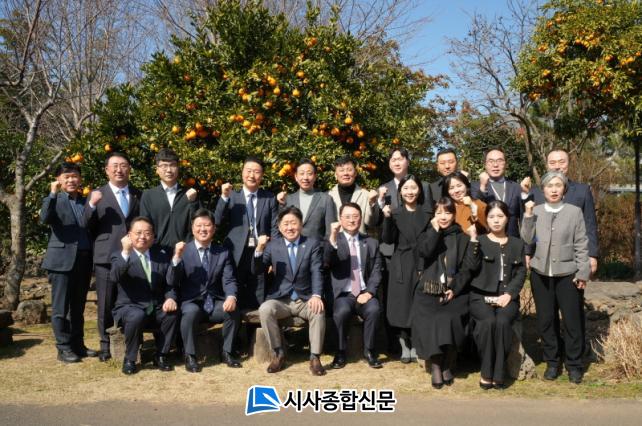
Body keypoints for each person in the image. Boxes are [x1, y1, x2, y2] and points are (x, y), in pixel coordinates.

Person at [521, 171, 590, 384]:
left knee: (572, 321)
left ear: (564, 189)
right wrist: (528, 215)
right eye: (549, 186)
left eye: (558, 185)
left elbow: (581, 244)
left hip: (568, 274)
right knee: (546, 320)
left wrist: (583, 272)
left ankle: (574, 365)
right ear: (543, 190)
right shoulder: (536, 210)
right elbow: (527, 238)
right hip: (541, 274)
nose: (553, 190)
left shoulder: (574, 212)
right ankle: (552, 362)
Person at [412, 197, 480, 389]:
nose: (443, 217)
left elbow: (469, 268)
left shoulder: (462, 236)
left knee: (449, 319)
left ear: (454, 214)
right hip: (428, 291)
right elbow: (425, 252)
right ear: (434, 215)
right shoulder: (427, 234)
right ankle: (436, 366)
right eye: (439, 212)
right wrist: (434, 231)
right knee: (432, 319)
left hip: (456, 292)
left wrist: (454, 289)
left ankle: (448, 364)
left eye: (448, 212)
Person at [253, 207, 326, 376]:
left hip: (305, 299)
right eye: (285, 224)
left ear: (301, 225)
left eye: (293, 223)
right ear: (279, 227)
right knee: (265, 309)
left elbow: (317, 271)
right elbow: (257, 269)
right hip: (281, 300)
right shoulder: (273, 246)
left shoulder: (312, 244)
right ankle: (278, 353)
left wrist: (316, 295)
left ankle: (315, 357)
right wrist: (259, 249)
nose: (290, 227)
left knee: (318, 310)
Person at [167, 209, 241, 373]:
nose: (203, 229)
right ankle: (190, 355)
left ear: (214, 228)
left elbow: (229, 279)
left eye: (207, 225)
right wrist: (176, 257)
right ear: (192, 228)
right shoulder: (183, 250)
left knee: (233, 311)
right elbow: (171, 280)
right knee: (190, 313)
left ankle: (227, 352)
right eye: (199, 225)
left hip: (213, 302)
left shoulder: (222, 252)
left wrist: (231, 296)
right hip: (191, 301)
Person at [84, 152, 142, 362]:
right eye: (115, 165)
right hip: (106, 257)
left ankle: (132, 340)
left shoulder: (137, 194)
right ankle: (105, 345)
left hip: (133, 256)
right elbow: (85, 224)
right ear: (107, 170)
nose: (119, 169)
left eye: (123, 165)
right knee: (106, 303)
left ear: (129, 169)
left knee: (132, 300)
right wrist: (91, 205)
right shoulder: (97, 194)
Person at [40, 162, 97, 363]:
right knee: (60, 308)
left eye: (74, 176)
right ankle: (63, 348)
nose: (71, 180)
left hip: (84, 259)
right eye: (67, 177)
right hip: (61, 261)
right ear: (59, 180)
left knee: (78, 307)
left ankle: (78, 344)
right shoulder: (54, 199)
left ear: (80, 179)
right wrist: (52, 194)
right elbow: (44, 218)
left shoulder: (86, 201)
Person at [110, 217, 179, 375]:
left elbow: (169, 283)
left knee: (172, 313)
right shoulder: (119, 255)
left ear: (153, 236)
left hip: (155, 306)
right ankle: (130, 358)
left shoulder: (161, 255)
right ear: (129, 235)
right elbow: (114, 277)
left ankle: (161, 355)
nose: (143, 237)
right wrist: (126, 252)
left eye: (147, 233)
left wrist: (170, 297)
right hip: (129, 306)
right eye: (138, 233)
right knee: (136, 315)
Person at [469, 201, 526, 390]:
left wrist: (509, 294)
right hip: (480, 296)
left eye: (500, 216)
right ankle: (486, 372)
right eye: (492, 216)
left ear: (507, 218)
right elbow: (471, 268)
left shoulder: (517, 244)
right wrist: (473, 242)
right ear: (486, 219)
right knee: (488, 322)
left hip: (507, 295)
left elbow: (521, 272)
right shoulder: (480, 241)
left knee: (502, 322)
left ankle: (499, 372)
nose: (496, 220)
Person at [214, 156, 279, 309]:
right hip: (236, 251)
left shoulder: (269, 198)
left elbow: (274, 228)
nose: (252, 175)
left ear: (262, 175)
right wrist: (224, 197)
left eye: (256, 172)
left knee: (258, 291)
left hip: (260, 250)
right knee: (235, 292)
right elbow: (217, 221)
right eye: (248, 171)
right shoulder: (232, 196)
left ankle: (256, 323)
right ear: (242, 173)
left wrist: (274, 256)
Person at [521, 148, 599, 275]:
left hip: (572, 260)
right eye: (552, 163)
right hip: (542, 260)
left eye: (562, 162)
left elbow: (590, 225)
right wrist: (527, 252)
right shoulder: (536, 192)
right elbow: (529, 225)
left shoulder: (582, 191)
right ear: (547, 165)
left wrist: (592, 255)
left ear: (568, 163)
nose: (557, 166)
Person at [325, 203, 384, 369]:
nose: (352, 220)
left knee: (374, 309)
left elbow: (377, 271)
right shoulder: (333, 240)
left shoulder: (371, 242)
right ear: (340, 219)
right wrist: (333, 238)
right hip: (343, 294)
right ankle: (340, 352)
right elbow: (326, 261)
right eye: (347, 217)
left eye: (356, 216)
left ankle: (369, 351)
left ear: (361, 218)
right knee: (341, 312)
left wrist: (370, 292)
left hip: (364, 292)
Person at [381, 175, 431, 363]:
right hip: (401, 262)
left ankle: (416, 343)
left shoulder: (428, 213)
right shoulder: (394, 213)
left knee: (418, 303)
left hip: (422, 261)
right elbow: (387, 239)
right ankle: (404, 344)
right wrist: (386, 218)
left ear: (420, 190)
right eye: (406, 188)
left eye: (413, 188)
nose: (410, 192)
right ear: (400, 192)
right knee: (401, 305)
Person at [139, 148, 200, 254]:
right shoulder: (148, 195)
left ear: (178, 168)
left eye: (172, 165)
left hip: (186, 252)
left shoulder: (190, 194)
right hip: (157, 254)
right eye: (164, 166)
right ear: (157, 169)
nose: (168, 170)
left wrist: (193, 203)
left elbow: (198, 222)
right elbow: (144, 226)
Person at [276, 158, 337, 240]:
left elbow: (330, 231)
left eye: (309, 173)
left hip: (318, 247)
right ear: (296, 177)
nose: (305, 177)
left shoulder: (326, 199)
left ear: (315, 176)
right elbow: (281, 227)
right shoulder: (288, 200)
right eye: (302, 173)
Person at [471, 148, 523, 238]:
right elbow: (474, 211)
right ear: (485, 165)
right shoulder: (475, 187)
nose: (495, 165)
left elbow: (524, 218)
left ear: (506, 164)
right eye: (491, 161)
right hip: (486, 241)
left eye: (499, 160)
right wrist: (483, 188)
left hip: (512, 240)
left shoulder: (516, 187)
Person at [327, 155, 379, 234]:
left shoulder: (366, 195)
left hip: (358, 240)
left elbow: (371, 223)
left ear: (355, 173)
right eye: (341, 170)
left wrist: (372, 204)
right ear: (335, 175)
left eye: (349, 170)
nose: (345, 173)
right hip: (336, 240)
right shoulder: (328, 196)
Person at [443, 171, 488, 236]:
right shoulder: (445, 208)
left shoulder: (479, 204)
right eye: (451, 188)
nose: (456, 191)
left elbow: (487, 226)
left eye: (459, 186)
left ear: (466, 186)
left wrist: (472, 205)